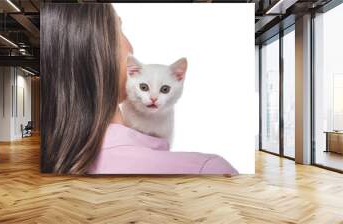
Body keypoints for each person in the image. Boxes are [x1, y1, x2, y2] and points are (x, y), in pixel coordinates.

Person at [40, 3, 238, 175]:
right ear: (98, 51)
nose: (131, 47)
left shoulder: (54, 158)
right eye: (120, 29)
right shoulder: (209, 169)